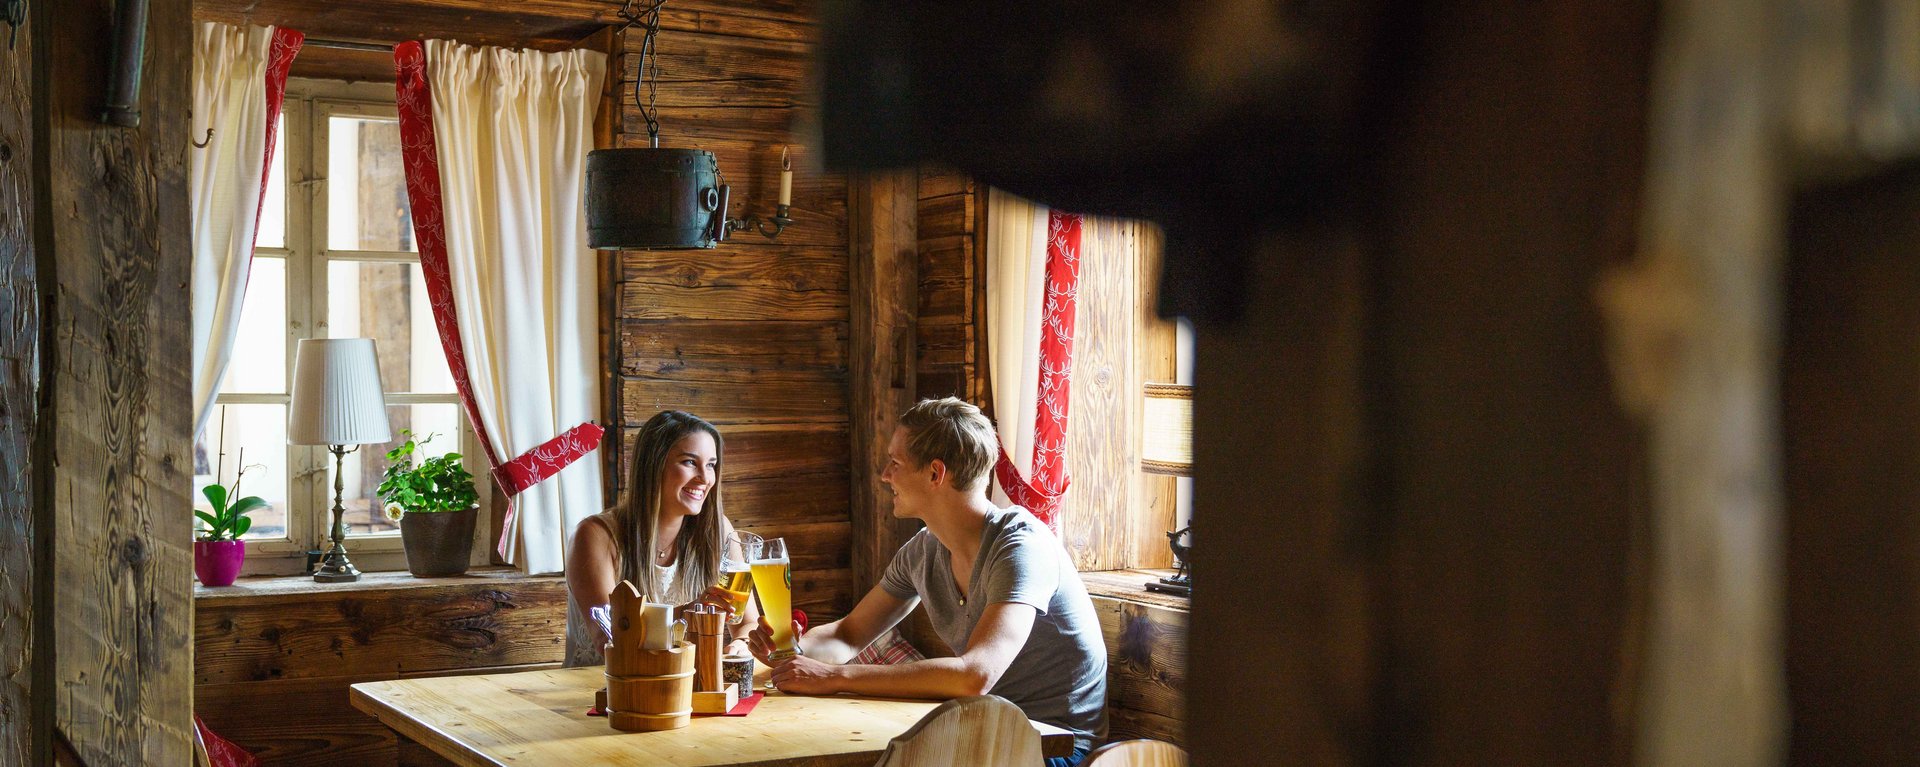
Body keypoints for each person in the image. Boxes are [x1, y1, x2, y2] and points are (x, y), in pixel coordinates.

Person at [748, 397, 1107, 766]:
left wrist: (835, 677)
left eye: (895, 463)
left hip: (1053, 750)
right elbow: (848, 635)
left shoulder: (1021, 546)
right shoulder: (923, 550)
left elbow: (974, 675)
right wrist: (792, 653)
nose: (885, 474)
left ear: (936, 473)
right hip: (978, 738)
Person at [564, 410, 757, 667]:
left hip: (685, 690)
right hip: (601, 693)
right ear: (653, 465)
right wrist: (691, 613)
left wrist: (739, 646)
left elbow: (747, 622)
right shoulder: (595, 535)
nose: (704, 478)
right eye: (689, 462)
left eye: (711, 464)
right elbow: (612, 638)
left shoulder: (718, 530)